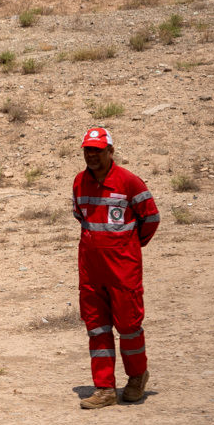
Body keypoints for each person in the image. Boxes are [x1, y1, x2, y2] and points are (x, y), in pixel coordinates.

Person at [72, 127, 159, 409]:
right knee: (97, 328)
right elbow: (80, 216)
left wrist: (129, 247)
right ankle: (105, 389)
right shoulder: (79, 182)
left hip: (123, 270)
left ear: (111, 152)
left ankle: (136, 378)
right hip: (91, 270)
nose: (92, 156)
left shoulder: (129, 182)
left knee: (129, 326)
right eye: (88, 150)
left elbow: (151, 218)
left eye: (97, 150)